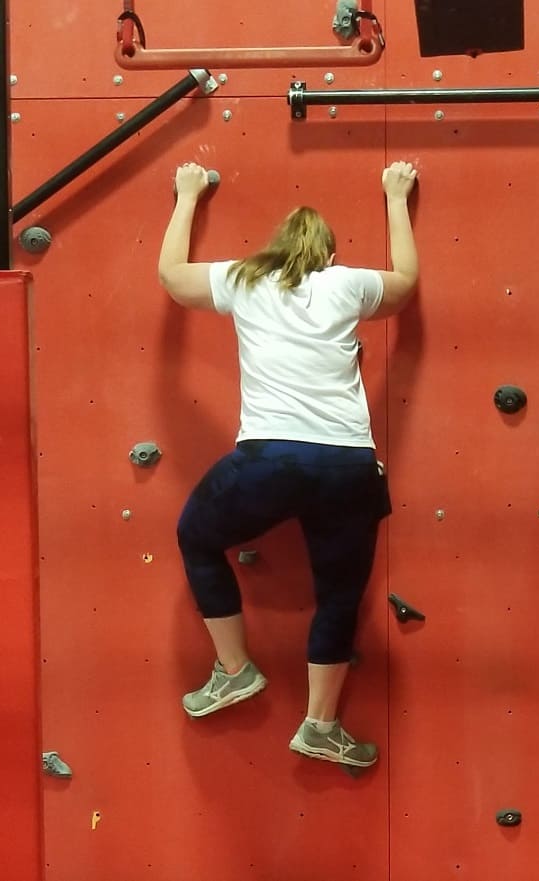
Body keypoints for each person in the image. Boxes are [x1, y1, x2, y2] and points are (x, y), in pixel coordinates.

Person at [157, 160, 420, 767]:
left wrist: (188, 194)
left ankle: (234, 670)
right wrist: (395, 197)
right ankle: (319, 725)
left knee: (197, 537)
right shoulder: (347, 283)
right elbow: (405, 281)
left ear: (275, 249)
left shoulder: (247, 279)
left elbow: (172, 276)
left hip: (271, 457)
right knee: (338, 595)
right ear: (327, 254)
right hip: (348, 465)